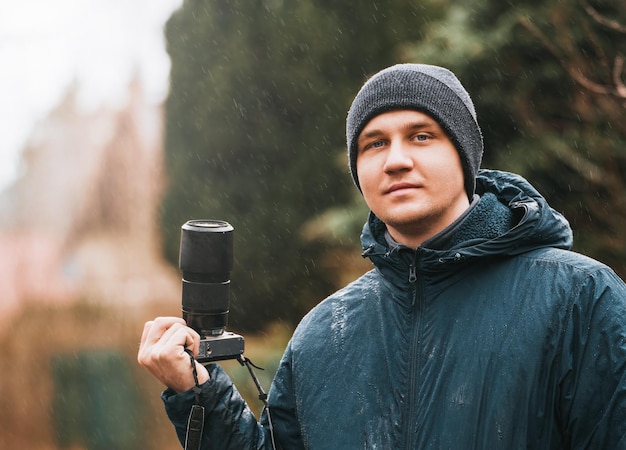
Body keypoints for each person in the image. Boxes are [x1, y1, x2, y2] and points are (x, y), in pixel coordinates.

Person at [138, 64, 626, 449]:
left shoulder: (580, 300)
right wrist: (198, 392)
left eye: (421, 136)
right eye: (374, 144)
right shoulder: (325, 334)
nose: (395, 159)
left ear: (464, 156)